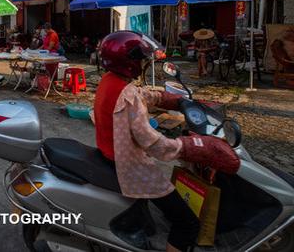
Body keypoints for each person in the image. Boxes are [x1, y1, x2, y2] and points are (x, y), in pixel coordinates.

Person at [94, 31, 238, 252]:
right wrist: (191, 146)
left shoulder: (109, 81)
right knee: (188, 223)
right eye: (141, 58)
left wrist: (169, 99)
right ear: (129, 61)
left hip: (110, 156)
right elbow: (153, 144)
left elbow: (140, 95)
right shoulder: (127, 93)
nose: (143, 63)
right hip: (131, 167)